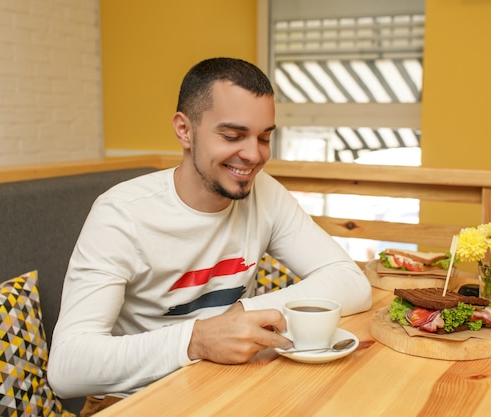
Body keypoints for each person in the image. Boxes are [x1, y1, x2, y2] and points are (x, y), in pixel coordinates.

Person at [47, 57, 372, 414]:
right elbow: (67, 368)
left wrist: (244, 312)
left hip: (228, 387)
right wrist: (198, 339)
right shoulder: (121, 214)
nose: (253, 155)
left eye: (264, 137)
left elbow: (351, 282)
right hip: (134, 400)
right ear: (184, 130)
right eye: (232, 136)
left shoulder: (265, 193)